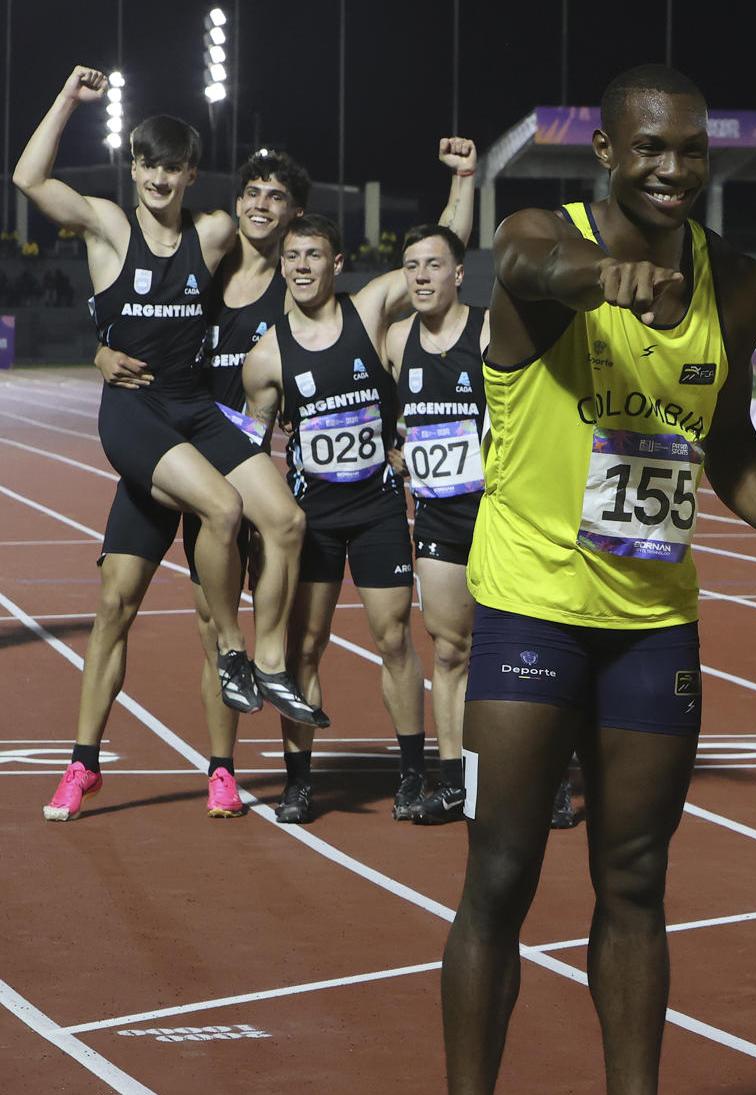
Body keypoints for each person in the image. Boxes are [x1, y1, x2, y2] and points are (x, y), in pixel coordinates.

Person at [439, 66, 756, 1094]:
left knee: (637, 882)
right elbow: (521, 262)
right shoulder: (534, 240)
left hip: (655, 624)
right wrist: (593, 277)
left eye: (692, 150)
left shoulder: (734, 284)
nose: (674, 168)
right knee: (501, 876)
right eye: (650, 148)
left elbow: (727, 443)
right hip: (533, 610)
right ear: (606, 152)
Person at [20, 66, 320, 822]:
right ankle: (87, 760)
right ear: (135, 166)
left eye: (172, 165)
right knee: (122, 598)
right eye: (146, 163)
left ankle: (231, 741)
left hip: (195, 416)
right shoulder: (106, 226)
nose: (158, 176)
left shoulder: (212, 231)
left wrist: (277, 200)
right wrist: (67, 100)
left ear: (191, 173)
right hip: (135, 415)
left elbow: (274, 219)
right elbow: (28, 176)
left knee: (275, 520)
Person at [239, 139, 473, 825]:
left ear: (336, 263)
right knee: (305, 647)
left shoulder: (369, 310)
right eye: (291, 256)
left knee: (394, 637)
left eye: (313, 255)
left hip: (375, 508)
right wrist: (249, 525)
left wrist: (463, 179)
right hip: (311, 519)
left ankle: (410, 772)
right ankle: (301, 779)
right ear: (280, 265)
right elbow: (252, 448)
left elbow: (443, 245)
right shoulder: (265, 357)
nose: (301, 265)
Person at [381, 221, 487, 824]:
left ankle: (546, 779)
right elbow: (381, 407)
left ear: (458, 274)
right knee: (449, 651)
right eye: (412, 266)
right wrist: (393, 444)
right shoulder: (397, 340)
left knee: (521, 651)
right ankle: (454, 783)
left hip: (501, 515)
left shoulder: (490, 328)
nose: (421, 276)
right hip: (439, 518)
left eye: (433, 265)